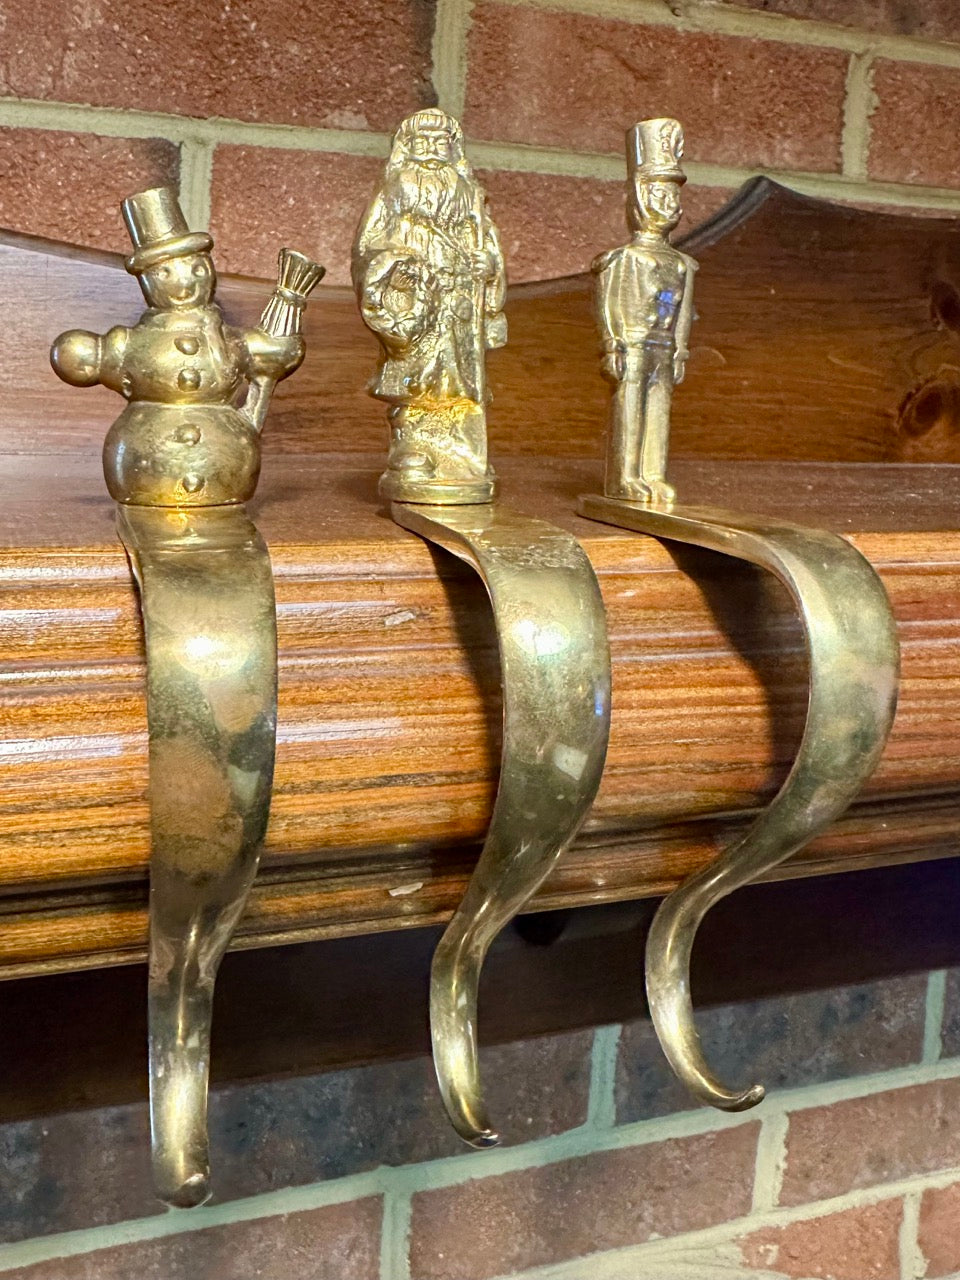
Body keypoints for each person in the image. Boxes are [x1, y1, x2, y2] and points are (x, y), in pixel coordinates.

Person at [353, 108, 506, 502]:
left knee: (460, 376)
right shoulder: (394, 190)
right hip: (416, 301)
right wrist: (394, 270)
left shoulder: (468, 192)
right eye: (423, 142)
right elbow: (368, 244)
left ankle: (464, 452)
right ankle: (414, 447)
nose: (432, 150)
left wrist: (488, 264)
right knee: (416, 373)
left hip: (460, 301)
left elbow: (485, 238)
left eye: (441, 142)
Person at [593, 118, 698, 505]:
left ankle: (652, 473)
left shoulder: (682, 263)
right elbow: (609, 303)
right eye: (658, 195)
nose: (668, 205)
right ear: (637, 199)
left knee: (658, 406)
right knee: (630, 404)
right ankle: (625, 476)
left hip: (663, 347)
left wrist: (681, 349)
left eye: (674, 198)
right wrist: (613, 343)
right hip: (633, 343)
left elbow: (684, 310)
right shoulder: (624, 259)